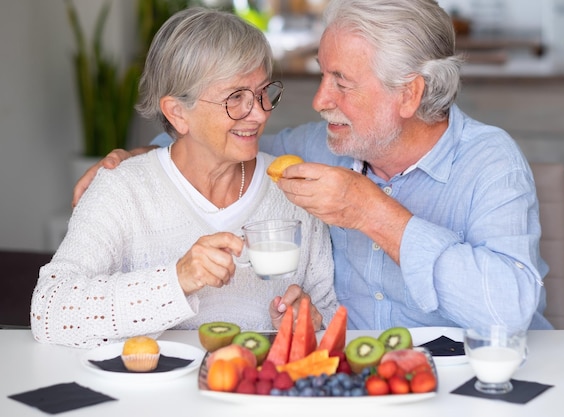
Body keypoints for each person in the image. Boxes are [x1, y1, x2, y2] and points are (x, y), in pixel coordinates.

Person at [73, 0, 552, 332]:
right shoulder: (319, 147)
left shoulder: (492, 164)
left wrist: (372, 213)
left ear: (409, 94)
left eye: (342, 82)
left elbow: (508, 310)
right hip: (353, 388)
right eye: (323, 74)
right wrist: (141, 159)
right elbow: (222, 138)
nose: (321, 101)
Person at [32, 8, 337, 349]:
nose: (260, 112)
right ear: (177, 113)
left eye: (264, 92)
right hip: (149, 396)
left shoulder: (293, 193)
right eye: (235, 98)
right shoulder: (123, 189)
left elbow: (328, 309)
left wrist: (310, 320)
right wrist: (176, 280)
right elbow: (49, 311)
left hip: (256, 395)